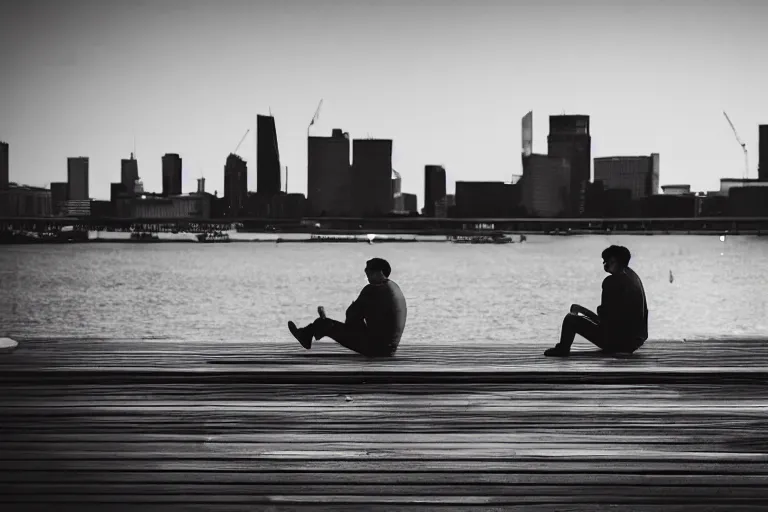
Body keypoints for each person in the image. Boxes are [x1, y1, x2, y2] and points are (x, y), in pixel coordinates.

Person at [288, 257, 407, 357]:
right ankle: (308, 334)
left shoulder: (372, 289)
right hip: (390, 349)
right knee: (327, 323)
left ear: (380, 272)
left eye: (369, 274)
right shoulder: (394, 287)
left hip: (376, 349)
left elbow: (351, 316)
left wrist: (338, 327)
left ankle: (306, 334)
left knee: (324, 324)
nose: (368, 278)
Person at [545, 245, 648, 357]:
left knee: (570, 320)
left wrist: (584, 312)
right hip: (634, 342)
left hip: (618, 343)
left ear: (613, 261)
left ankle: (562, 349)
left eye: (605, 262)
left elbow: (605, 319)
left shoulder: (611, 282)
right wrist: (584, 311)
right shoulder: (633, 277)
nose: (604, 265)